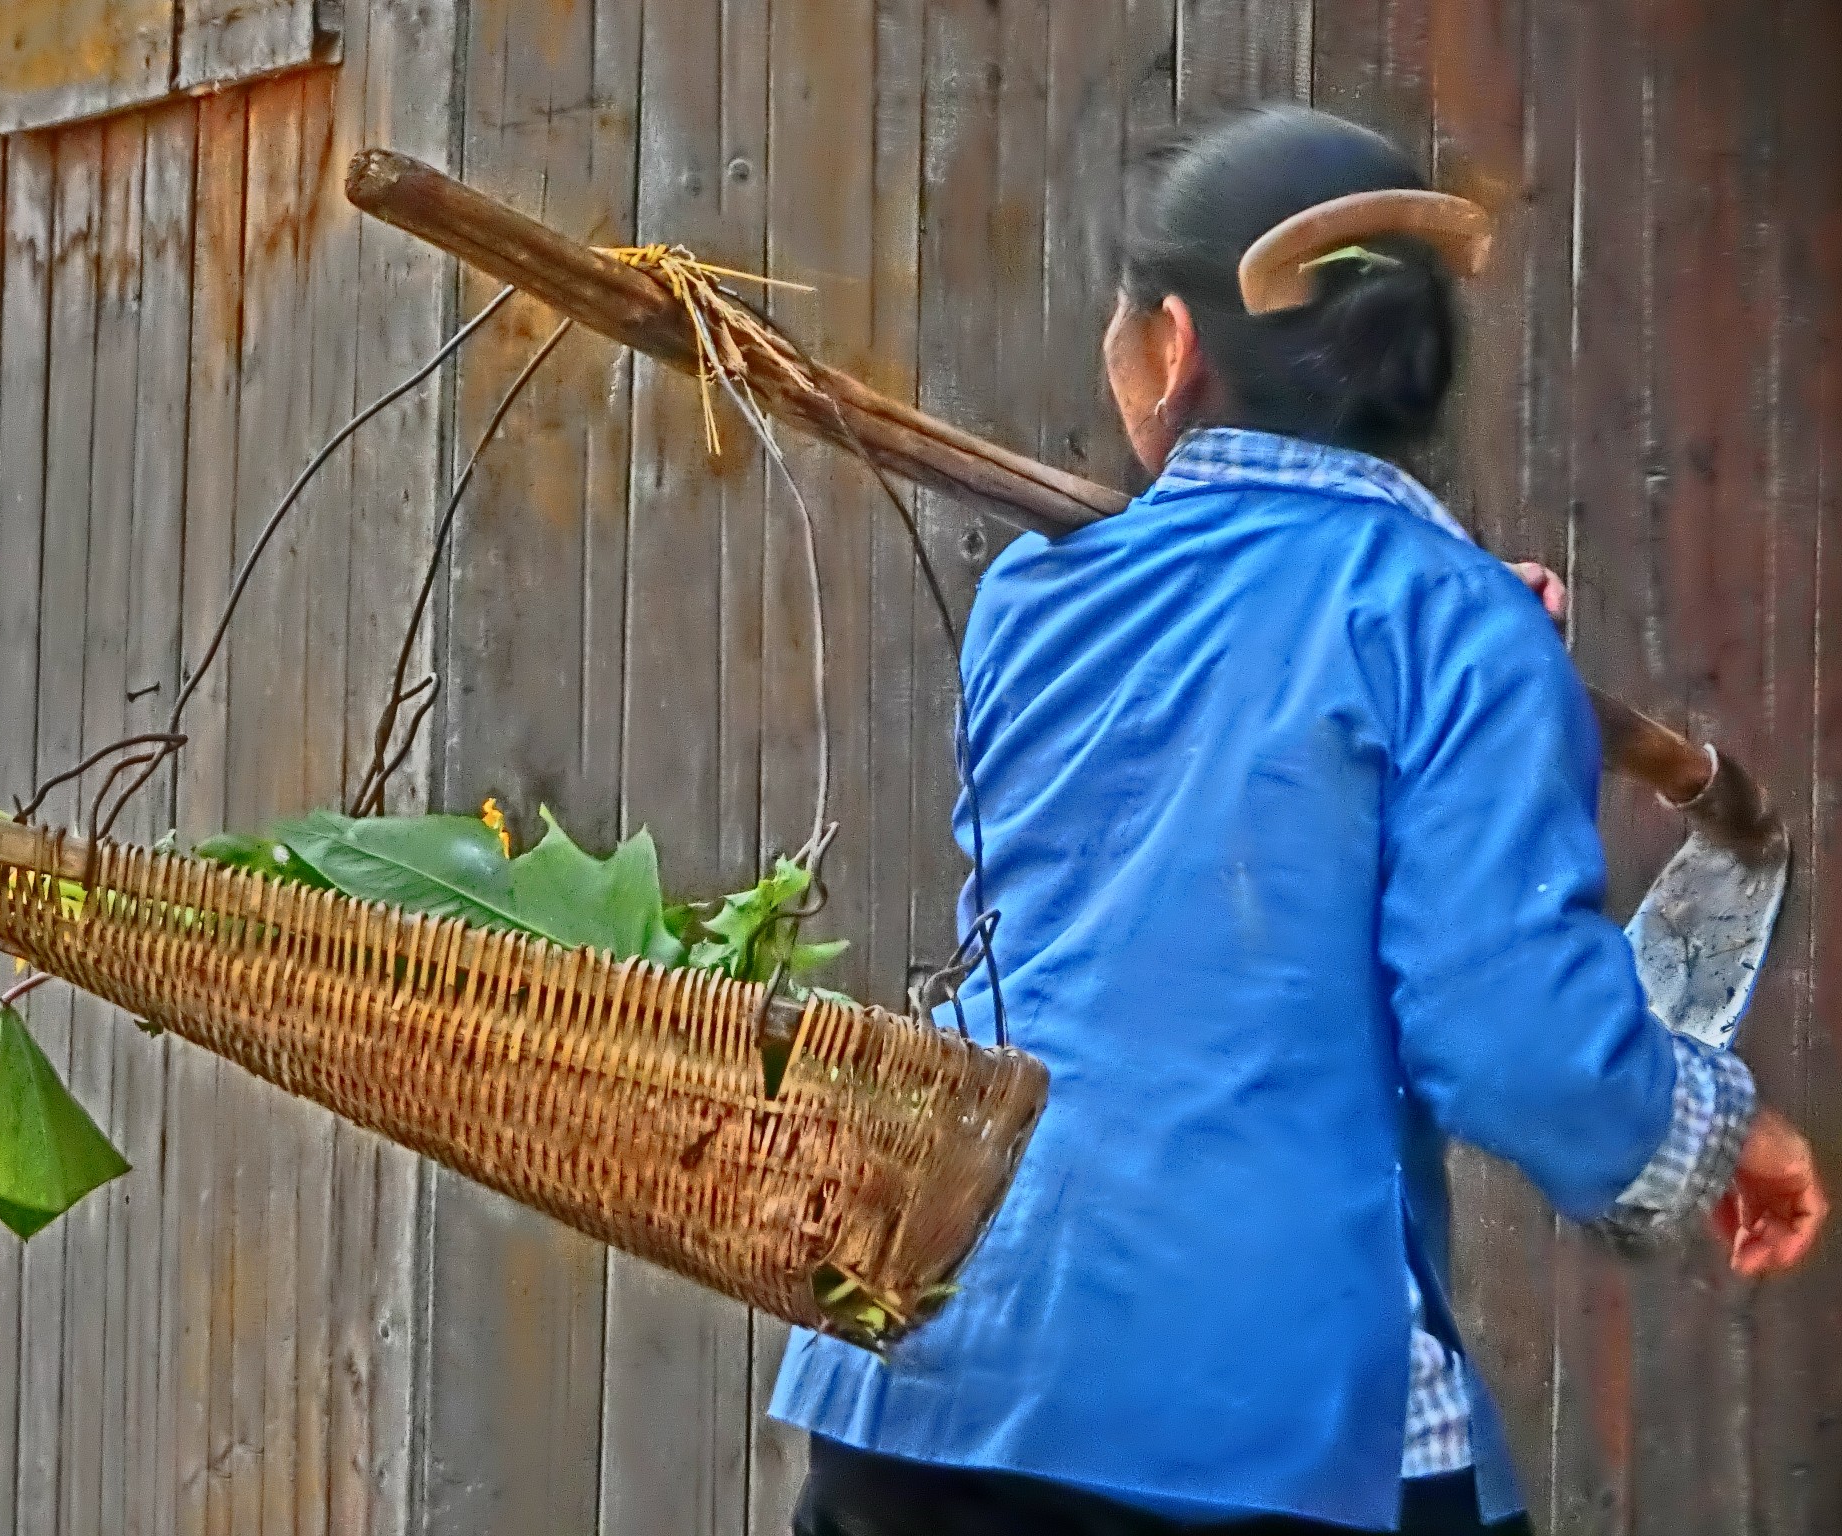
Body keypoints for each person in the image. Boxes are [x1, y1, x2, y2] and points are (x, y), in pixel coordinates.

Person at [768, 105, 1826, 1536]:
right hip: (1238, 1420)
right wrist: (1719, 1128)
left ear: (1176, 349)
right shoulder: (1446, 624)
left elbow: (1224, 786)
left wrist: (1465, 638)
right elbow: (1515, 1037)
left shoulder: (1038, 598)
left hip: (927, 1353)